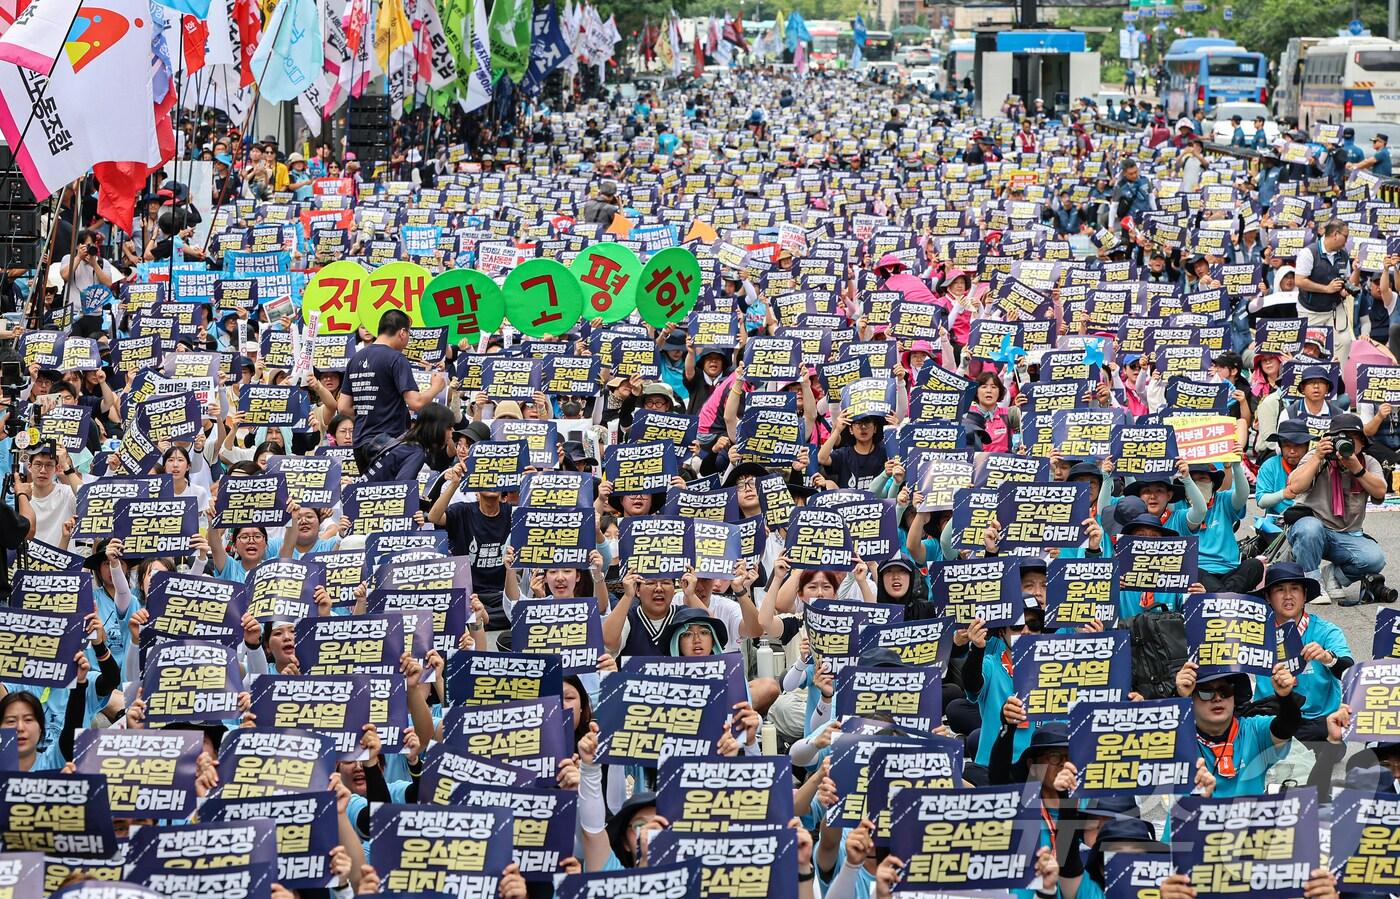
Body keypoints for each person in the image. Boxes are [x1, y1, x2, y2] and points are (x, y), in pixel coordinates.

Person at [1285, 413, 1390, 604]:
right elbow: (1294, 487)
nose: (1346, 442)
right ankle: (1312, 582)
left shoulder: (1368, 462)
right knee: (1309, 529)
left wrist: (1357, 468)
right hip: (1313, 527)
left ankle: (1333, 576)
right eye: (1340, 436)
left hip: (1347, 535)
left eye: (1352, 437)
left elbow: (1380, 492)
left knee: (1375, 559)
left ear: (1362, 442)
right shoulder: (1317, 457)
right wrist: (1317, 457)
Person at [339, 309, 448, 473]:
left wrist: (370, 411)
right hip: (386, 443)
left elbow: (343, 407)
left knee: (374, 495)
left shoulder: (355, 359)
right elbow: (416, 403)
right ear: (403, 332)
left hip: (360, 444)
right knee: (415, 455)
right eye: (409, 334)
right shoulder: (396, 358)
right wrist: (436, 387)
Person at [1295, 219, 1359, 363]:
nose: (1347, 241)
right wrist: (1326, 289)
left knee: (1344, 342)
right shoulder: (1309, 253)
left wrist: (1344, 290)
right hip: (1311, 310)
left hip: (1334, 309)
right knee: (1310, 349)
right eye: (1346, 237)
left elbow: (1345, 279)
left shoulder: (1343, 255)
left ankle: (1338, 380)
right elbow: (1299, 281)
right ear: (1335, 234)